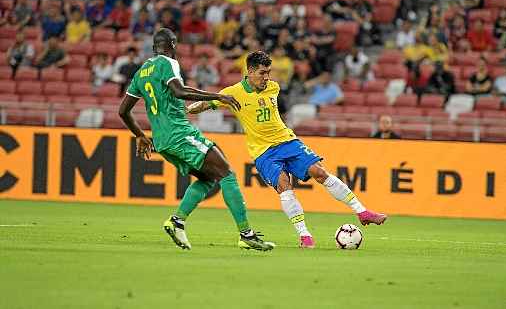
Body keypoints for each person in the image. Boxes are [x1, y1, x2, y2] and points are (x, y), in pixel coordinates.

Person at [187, 51, 387, 249]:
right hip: (263, 152)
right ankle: (305, 235)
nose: (267, 77)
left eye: (268, 72)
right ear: (249, 71)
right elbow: (204, 104)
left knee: (319, 171)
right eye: (262, 73)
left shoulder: (273, 87)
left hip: (288, 141)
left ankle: (362, 212)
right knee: (284, 184)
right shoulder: (232, 93)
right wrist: (187, 109)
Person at [118, 29, 274, 251]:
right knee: (227, 174)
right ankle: (246, 235)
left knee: (208, 179)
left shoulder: (141, 72)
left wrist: (141, 135)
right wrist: (217, 96)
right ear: (173, 44)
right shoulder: (168, 63)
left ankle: (177, 221)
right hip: (180, 133)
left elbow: (123, 111)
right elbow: (179, 91)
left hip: (161, 141)